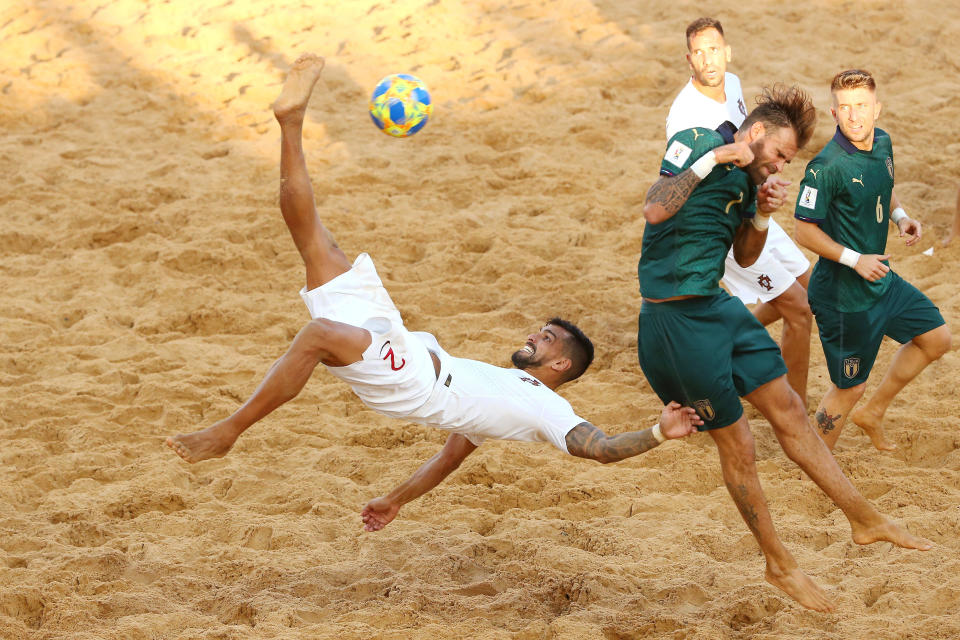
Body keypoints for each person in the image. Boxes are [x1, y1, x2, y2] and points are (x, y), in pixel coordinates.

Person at [165, 53, 704, 529]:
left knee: (318, 333)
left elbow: (602, 449)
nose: (534, 338)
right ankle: (291, 123)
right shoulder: (501, 395)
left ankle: (229, 431)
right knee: (316, 244)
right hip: (404, 341)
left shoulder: (548, 411)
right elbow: (447, 460)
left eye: (546, 339)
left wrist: (656, 433)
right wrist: (395, 499)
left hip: (412, 382)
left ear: (562, 367)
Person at [640, 84, 933, 613]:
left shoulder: (753, 181)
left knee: (792, 412)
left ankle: (863, 518)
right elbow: (656, 210)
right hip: (673, 320)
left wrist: (759, 212)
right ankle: (779, 564)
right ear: (755, 134)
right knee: (741, 448)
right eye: (777, 156)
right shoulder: (698, 141)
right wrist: (715, 160)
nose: (779, 168)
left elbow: (748, 259)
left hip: (717, 306)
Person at [794, 69, 951, 451]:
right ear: (834, 112)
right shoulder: (825, 167)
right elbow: (804, 231)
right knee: (849, 388)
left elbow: (886, 187)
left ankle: (874, 412)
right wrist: (855, 259)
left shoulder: (883, 142)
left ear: (876, 109)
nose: (854, 116)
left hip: (880, 280)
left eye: (862, 106)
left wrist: (901, 218)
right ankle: (813, 469)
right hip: (843, 297)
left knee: (936, 339)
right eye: (845, 108)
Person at [666, 17, 813, 405]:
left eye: (714, 50)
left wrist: (764, 179)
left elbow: (752, 139)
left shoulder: (731, 84)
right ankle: (795, 412)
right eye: (699, 53)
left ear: (727, 52)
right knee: (799, 311)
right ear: (688, 59)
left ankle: (728, 348)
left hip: (752, 203)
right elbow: (681, 184)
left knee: (807, 286)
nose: (708, 60)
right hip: (721, 219)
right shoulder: (684, 117)